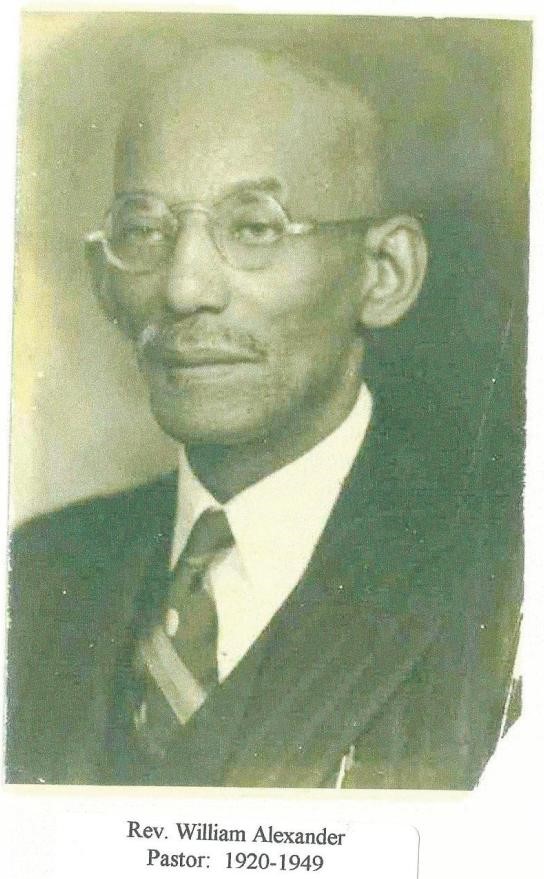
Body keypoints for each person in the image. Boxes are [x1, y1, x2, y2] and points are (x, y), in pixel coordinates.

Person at [6, 48, 521, 789]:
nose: (183, 289)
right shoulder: (38, 576)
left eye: (253, 228)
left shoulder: (505, 591)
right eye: (145, 231)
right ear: (103, 278)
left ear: (384, 274)